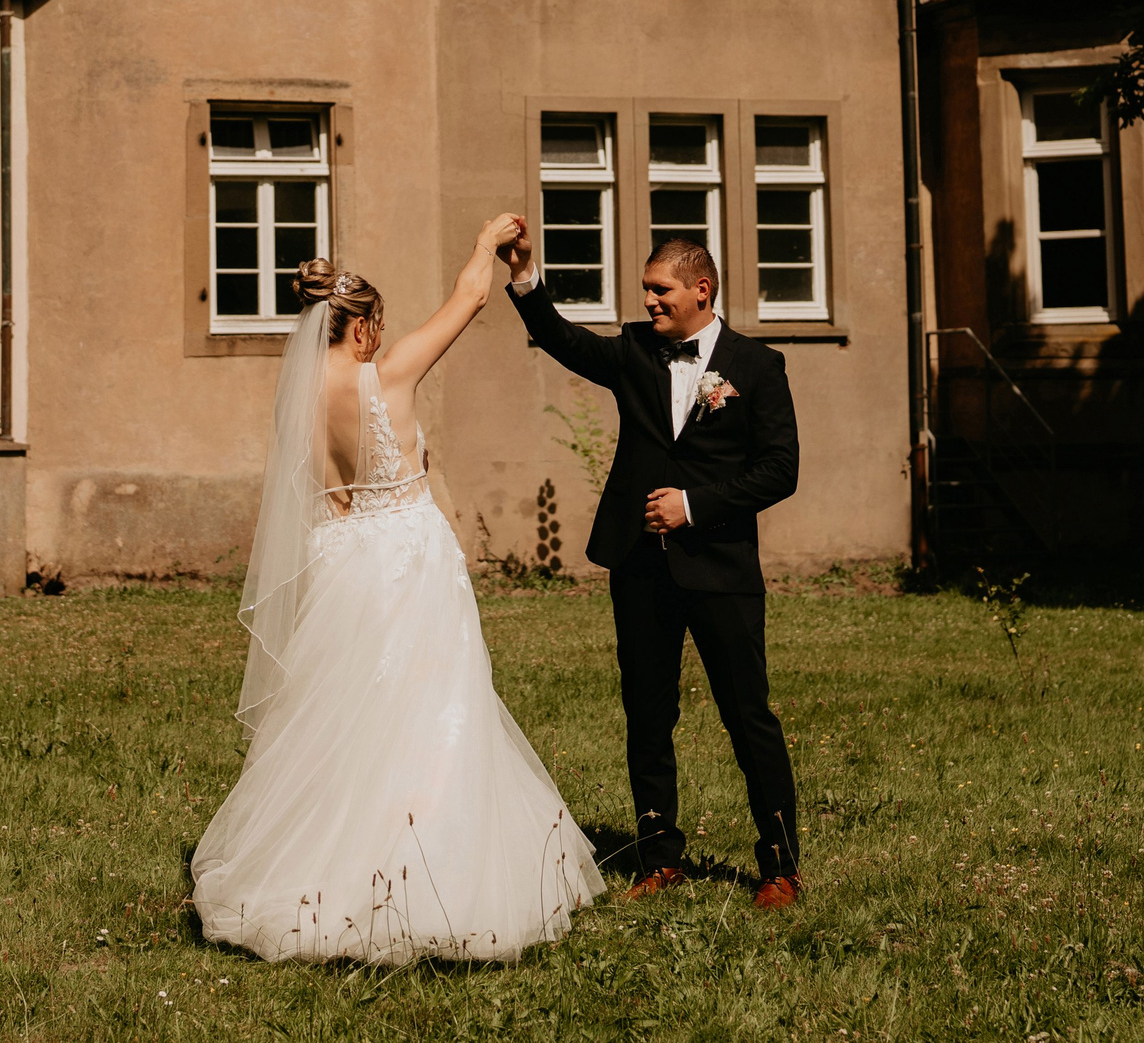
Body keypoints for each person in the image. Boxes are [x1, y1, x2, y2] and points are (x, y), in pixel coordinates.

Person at [191, 219, 605, 963]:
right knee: (438, 708)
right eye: (376, 326)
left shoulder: (302, 396)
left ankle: (319, 871)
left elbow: (328, 499)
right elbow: (468, 299)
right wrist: (486, 243)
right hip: (410, 558)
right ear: (361, 329)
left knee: (347, 714)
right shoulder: (387, 375)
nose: (381, 338)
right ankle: (431, 878)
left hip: (345, 561)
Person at [498, 229, 804, 908]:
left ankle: (781, 865)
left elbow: (780, 470)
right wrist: (524, 278)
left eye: (659, 289)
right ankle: (660, 856)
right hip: (639, 566)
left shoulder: (757, 366)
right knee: (647, 713)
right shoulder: (636, 350)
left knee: (746, 714)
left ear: (702, 289)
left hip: (721, 568)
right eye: (646, 290)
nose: (648, 300)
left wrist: (695, 506)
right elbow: (563, 339)